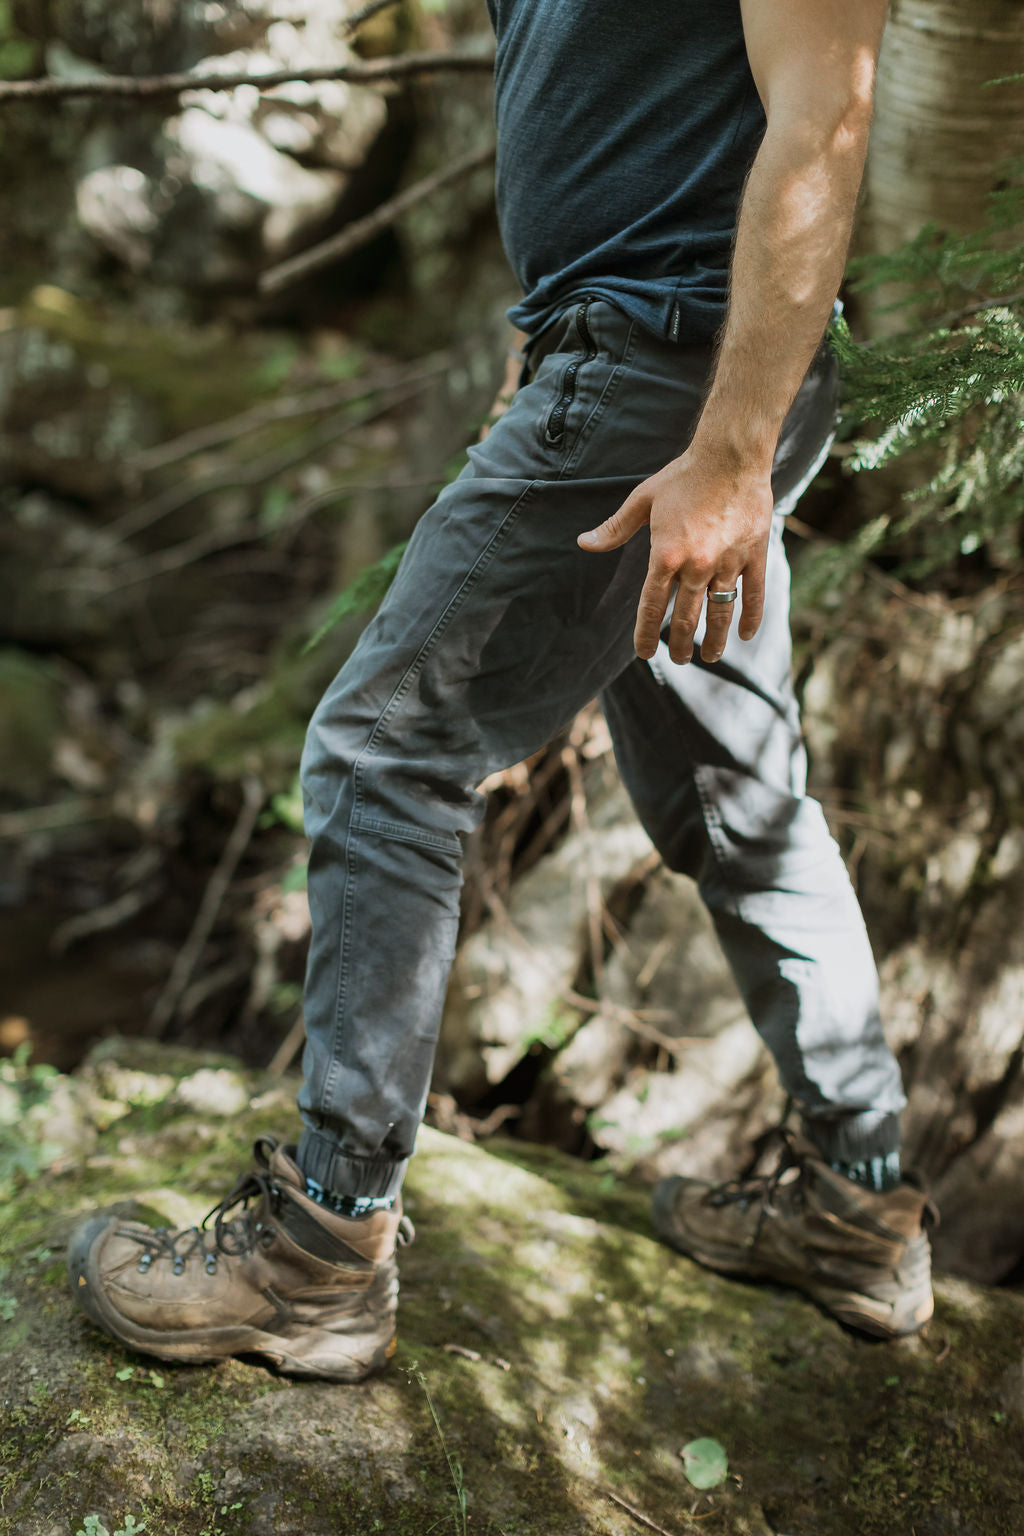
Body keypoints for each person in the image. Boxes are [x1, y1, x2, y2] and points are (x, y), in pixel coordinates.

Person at [68, 0, 934, 1380]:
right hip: (626, 351)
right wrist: (540, 354)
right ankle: (856, 1199)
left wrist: (730, 449)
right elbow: (608, 119)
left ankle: (321, 1253)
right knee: (733, 799)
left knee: (383, 748)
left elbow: (825, 111)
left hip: (680, 368)